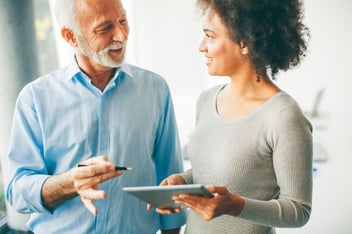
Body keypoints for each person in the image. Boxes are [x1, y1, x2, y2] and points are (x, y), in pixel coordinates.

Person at [5, 0, 186, 233]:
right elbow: (18, 192)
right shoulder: (35, 98)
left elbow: (169, 182)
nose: (121, 34)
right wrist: (70, 183)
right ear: (71, 37)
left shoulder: (155, 89)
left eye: (123, 20)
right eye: (105, 28)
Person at [154, 0, 313, 233]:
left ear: (244, 42)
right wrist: (183, 180)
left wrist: (236, 206)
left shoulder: (283, 117)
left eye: (210, 36)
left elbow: (299, 210)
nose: (201, 46)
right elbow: (217, 172)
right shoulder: (207, 100)